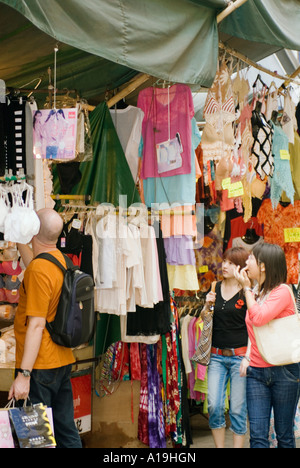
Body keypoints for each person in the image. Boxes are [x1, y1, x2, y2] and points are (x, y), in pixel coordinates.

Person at [8, 208, 82, 448]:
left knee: (35, 439)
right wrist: (20, 241)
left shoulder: (41, 270)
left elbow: (37, 325)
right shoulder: (59, 259)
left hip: (39, 368)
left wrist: (24, 375)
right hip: (60, 360)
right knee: (66, 430)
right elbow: (35, 268)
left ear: (35, 231)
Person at [234, 242, 300, 448]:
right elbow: (254, 331)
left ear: (263, 266)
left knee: (284, 435)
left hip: (284, 371)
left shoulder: (282, 291)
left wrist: (245, 289)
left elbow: (259, 318)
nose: (247, 262)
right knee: (258, 437)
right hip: (257, 372)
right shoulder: (257, 292)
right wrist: (247, 357)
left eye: (251, 258)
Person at [206, 246, 249, 448]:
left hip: (239, 357)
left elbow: (254, 326)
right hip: (216, 356)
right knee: (214, 405)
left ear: (240, 267)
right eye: (225, 261)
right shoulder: (214, 287)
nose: (225, 266)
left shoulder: (246, 292)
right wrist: (206, 306)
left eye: (231, 263)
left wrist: (249, 356)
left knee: (238, 409)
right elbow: (204, 322)